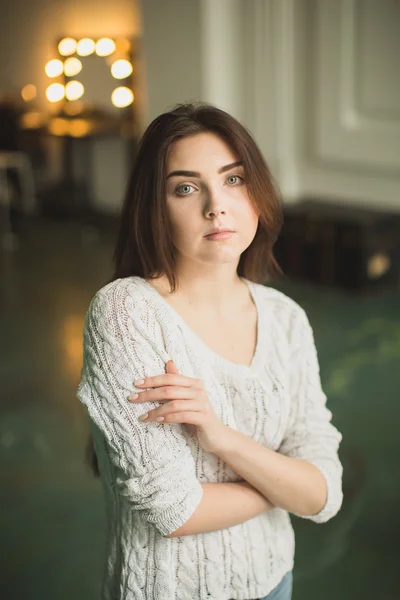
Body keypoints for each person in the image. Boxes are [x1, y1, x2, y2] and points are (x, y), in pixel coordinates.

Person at [77, 102, 343, 600]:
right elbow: (174, 510)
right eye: (186, 187)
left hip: (273, 581)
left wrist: (221, 438)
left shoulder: (285, 319)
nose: (215, 205)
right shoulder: (125, 314)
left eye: (234, 180)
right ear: (155, 208)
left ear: (258, 196)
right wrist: (284, 486)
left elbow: (325, 492)